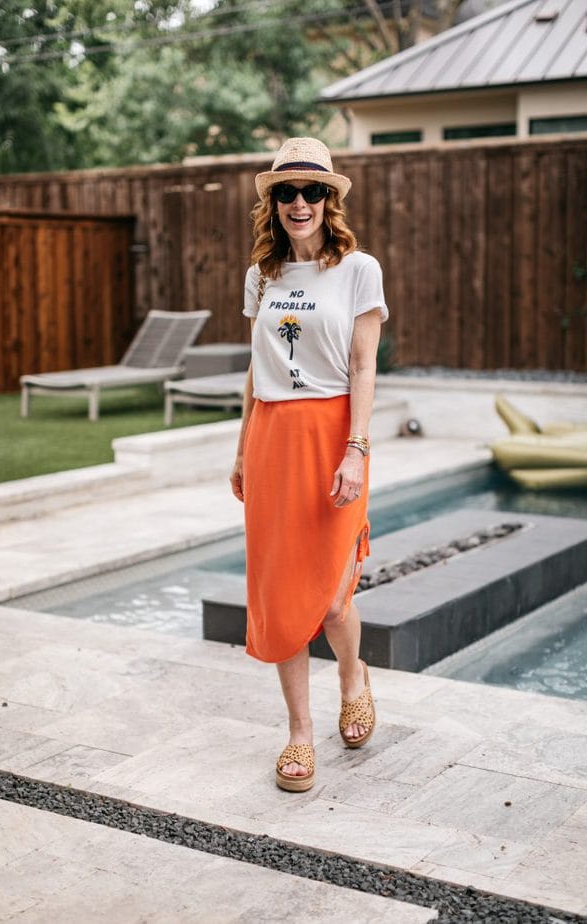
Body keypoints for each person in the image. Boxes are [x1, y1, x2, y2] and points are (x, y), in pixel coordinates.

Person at [229, 137, 389, 793]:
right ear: (273, 202)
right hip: (272, 435)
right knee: (279, 592)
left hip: (332, 434)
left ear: (330, 200)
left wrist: (357, 448)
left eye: (313, 191)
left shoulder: (358, 269)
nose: (300, 203)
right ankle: (299, 734)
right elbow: (254, 369)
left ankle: (352, 676)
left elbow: (362, 366)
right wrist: (241, 447)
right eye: (287, 192)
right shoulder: (260, 276)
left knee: (328, 595)